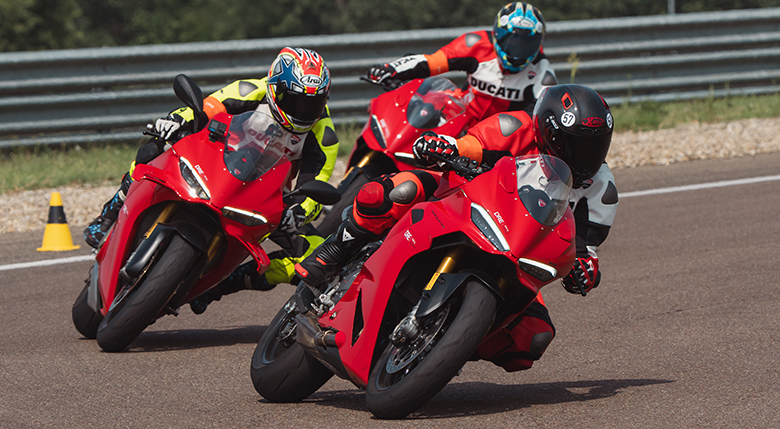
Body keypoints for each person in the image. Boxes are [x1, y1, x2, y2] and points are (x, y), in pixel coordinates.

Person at [295, 84, 618, 372]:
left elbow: (583, 248)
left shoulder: (602, 189)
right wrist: (444, 147)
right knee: (393, 192)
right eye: (575, 144)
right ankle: (336, 249)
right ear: (547, 131)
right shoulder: (515, 127)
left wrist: (585, 270)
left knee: (533, 338)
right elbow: (469, 145)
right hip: (460, 202)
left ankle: (444, 342)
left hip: (514, 253)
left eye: (595, 146)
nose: (586, 156)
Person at [82, 47, 340, 314]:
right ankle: (110, 212)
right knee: (155, 147)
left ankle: (224, 284)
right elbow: (205, 108)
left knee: (314, 252)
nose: (303, 111)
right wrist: (175, 121)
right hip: (216, 165)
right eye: (295, 101)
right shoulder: (249, 91)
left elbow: (314, 188)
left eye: (313, 104)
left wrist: (298, 213)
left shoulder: (325, 136)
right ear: (275, 88)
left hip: (263, 199)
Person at [366, 2, 557, 126]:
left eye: (527, 43)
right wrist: (391, 69)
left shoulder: (543, 73)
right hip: (457, 118)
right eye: (512, 41)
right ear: (497, 34)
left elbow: (537, 119)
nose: (518, 49)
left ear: (539, 42)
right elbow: (431, 61)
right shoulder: (475, 44)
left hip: (497, 139)